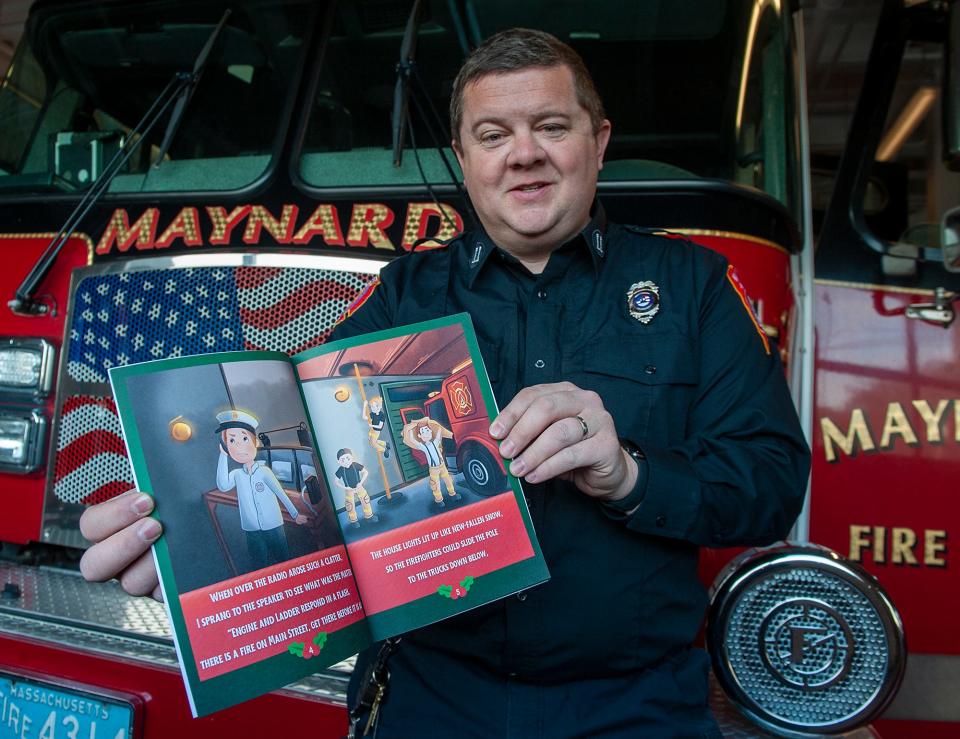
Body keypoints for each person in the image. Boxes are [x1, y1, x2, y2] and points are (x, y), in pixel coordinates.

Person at [78, 28, 809, 737]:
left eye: (551, 125)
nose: (524, 155)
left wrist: (629, 474)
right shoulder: (400, 299)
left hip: (637, 704)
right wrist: (186, 552)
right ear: (464, 158)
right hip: (433, 697)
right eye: (493, 136)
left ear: (600, 141)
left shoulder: (695, 287)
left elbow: (772, 485)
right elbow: (314, 486)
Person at [214, 409, 308, 570]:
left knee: (283, 560)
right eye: (231, 441)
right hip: (251, 530)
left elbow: (281, 493)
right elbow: (223, 485)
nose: (239, 446)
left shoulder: (265, 472)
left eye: (244, 438)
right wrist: (222, 456)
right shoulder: (236, 474)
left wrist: (295, 515)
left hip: (273, 525)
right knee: (259, 564)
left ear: (255, 442)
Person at [401, 417, 462, 508]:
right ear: (419, 436)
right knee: (435, 484)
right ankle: (439, 500)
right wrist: (410, 430)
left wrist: (438, 427)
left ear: (430, 431)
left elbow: (438, 433)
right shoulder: (423, 446)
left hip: (442, 466)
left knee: (448, 480)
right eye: (423, 432)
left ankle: (453, 494)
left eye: (427, 430)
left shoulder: (436, 442)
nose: (426, 433)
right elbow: (413, 440)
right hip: (433, 469)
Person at [332, 447, 379, 528]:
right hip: (348, 490)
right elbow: (336, 481)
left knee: (365, 500)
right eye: (343, 460)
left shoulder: (355, 465)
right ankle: (353, 521)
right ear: (338, 462)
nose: (346, 461)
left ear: (352, 457)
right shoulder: (340, 470)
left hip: (359, 487)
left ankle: (369, 516)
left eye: (348, 458)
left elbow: (365, 472)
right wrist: (346, 488)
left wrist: (360, 483)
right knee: (350, 505)